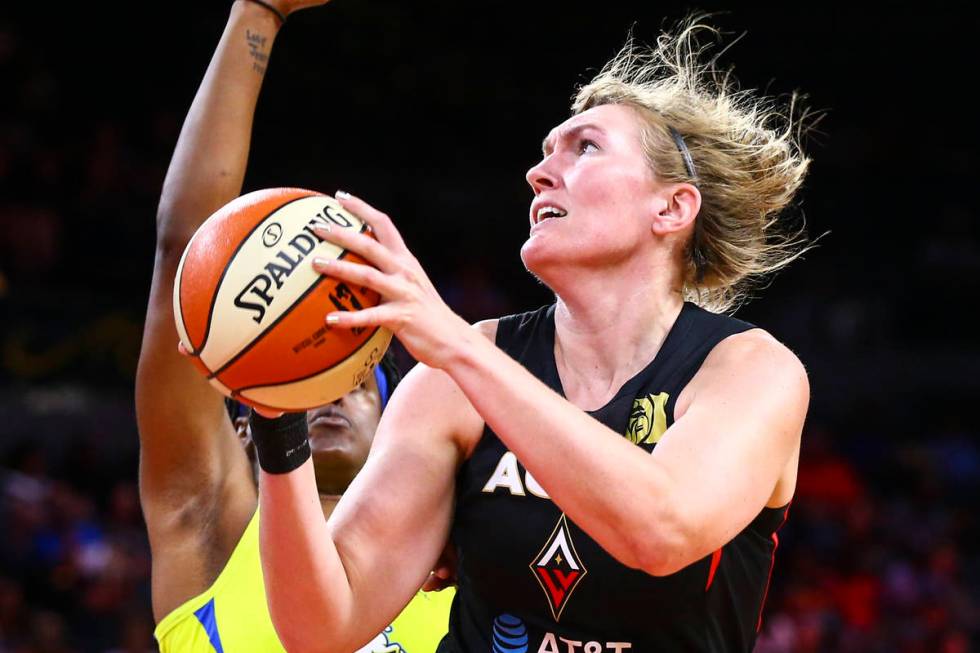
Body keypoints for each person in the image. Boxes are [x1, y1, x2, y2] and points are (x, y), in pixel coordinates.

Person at [255, 14, 813, 653]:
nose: (539, 173)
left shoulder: (749, 371)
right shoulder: (453, 382)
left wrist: (459, 348)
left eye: (586, 147)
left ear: (672, 208)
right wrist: (278, 415)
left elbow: (662, 530)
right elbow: (321, 627)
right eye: (546, 153)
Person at [134, 1, 453, 651]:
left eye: (352, 381)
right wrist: (259, 11)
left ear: (393, 420)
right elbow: (184, 257)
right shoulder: (214, 528)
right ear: (245, 428)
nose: (329, 394)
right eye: (302, 383)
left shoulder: (459, 567)